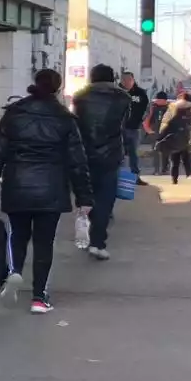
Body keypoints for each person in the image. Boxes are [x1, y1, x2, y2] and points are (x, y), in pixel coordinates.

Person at [0, 69, 93, 314]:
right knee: (44, 243)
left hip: (17, 185)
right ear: (57, 88)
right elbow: (77, 161)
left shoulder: (14, 114)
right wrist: (84, 197)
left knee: (17, 236)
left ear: (34, 84)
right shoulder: (64, 118)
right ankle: (39, 298)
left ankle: (13, 273)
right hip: (51, 189)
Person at [72, 64, 131, 260]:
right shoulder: (123, 97)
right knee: (105, 200)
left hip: (83, 153)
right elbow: (125, 126)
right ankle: (98, 242)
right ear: (112, 77)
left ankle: (87, 234)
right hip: (111, 154)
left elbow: (76, 125)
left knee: (86, 195)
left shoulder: (80, 96)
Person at [157, 92, 191, 184]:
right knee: (187, 158)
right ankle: (189, 176)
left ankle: (174, 179)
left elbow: (165, 122)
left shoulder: (173, 106)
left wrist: (161, 136)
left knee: (174, 160)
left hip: (174, 136)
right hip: (188, 136)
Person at [119, 71, 150, 185]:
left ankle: (135, 176)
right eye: (124, 80)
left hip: (134, 128)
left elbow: (147, 108)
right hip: (118, 129)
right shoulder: (117, 92)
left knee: (134, 154)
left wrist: (142, 120)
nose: (126, 82)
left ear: (133, 80)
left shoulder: (140, 93)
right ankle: (119, 178)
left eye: (129, 80)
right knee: (119, 154)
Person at [143, 91, 172, 175]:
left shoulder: (170, 108)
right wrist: (148, 130)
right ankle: (156, 170)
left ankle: (165, 169)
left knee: (166, 151)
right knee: (156, 151)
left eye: (160, 99)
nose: (158, 101)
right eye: (158, 99)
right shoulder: (152, 107)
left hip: (166, 132)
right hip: (155, 132)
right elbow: (146, 119)